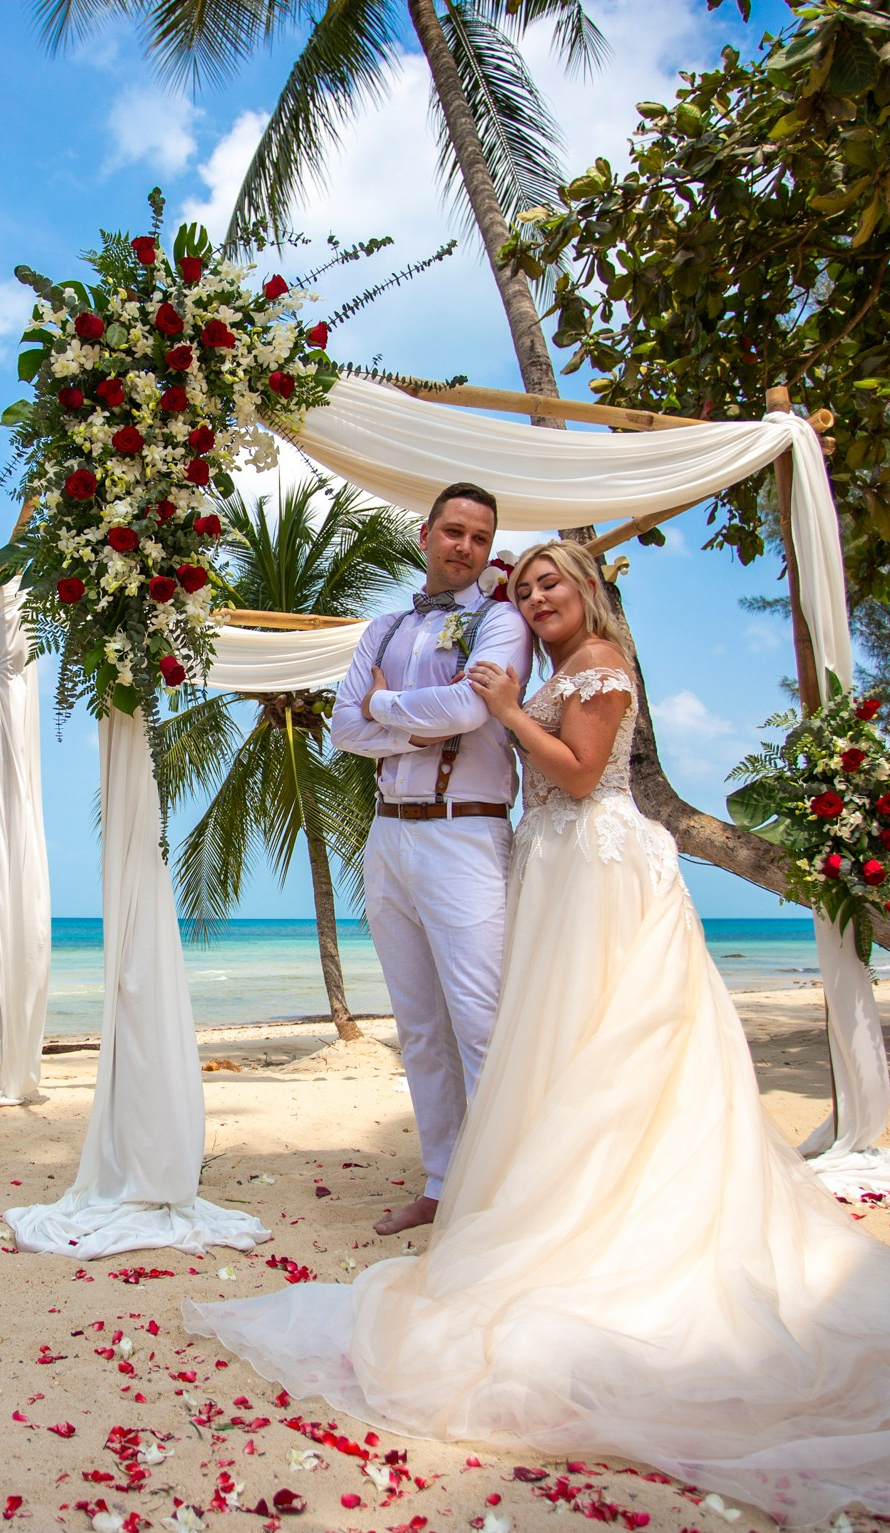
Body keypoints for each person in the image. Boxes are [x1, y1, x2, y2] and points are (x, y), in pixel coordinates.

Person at [190, 541, 890, 1524]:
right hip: (550, 868)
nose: (536, 599)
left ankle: (613, 1210)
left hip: (597, 872)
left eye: (550, 584)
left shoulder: (597, 665)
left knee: (617, 1044)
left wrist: (508, 711)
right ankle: (568, 1192)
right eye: (525, 589)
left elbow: (582, 766)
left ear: (585, 592)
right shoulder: (553, 665)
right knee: (561, 1053)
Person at [328, 483, 532, 1237]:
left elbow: (468, 711)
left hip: (467, 835)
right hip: (389, 837)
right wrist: (403, 723)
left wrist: (385, 709)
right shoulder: (382, 629)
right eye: (453, 531)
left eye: (480, 538)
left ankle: (503, 1195)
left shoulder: (503, 620)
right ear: (425, 533)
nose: (465, 548)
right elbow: (339, 728)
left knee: (481, 1020)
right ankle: (444, 1182)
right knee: (418, 1025)